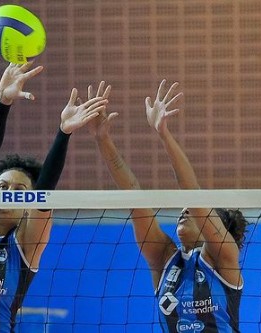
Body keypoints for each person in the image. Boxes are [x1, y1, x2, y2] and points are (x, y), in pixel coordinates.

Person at [0, 62, 107, 333]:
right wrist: (3, 101)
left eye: (19, 192)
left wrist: (64, 133)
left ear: (30, 204)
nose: (8, 195)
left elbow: (45, 192)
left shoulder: (26, 244)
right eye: (2, 187)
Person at [89, 80, 249, 332]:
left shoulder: (224, 257)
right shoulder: (164, 258)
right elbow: (134, 196)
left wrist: (164, 134)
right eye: (185, 210)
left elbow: (192, 193)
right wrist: (102, 138)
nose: (185, 211)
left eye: (195, 212)